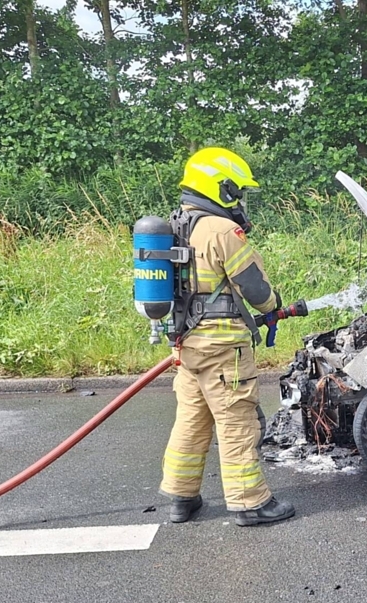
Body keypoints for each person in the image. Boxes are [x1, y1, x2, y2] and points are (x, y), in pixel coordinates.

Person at [159, 147, 294, 526]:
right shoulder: (221, 231)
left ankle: (180, 498)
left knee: (191, 420)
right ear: (220, 187)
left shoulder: (174, 226)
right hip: (223, 351)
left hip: (187, 345)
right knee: (237, 422)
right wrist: (272, 303)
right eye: (236, 192)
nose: (238, 200)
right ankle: (250, 503)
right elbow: (253, 287)